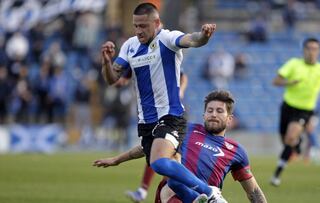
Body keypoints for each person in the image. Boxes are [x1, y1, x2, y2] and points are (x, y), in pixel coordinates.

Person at [99, 2, 223, 202]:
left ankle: (209, 192)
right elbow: (112, 78)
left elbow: (191, 39)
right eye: (135, 25)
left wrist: (204, 36)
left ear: (156, 22)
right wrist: (106, 61)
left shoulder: (167, 38)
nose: (138, 30)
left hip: (171, 115)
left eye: (143, 26)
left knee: (158, 162)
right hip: (146, 122)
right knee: (173, 181)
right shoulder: (130, 46)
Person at [94, 90, 268, 203]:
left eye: (219, 111)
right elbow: (149, 148)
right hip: (173, 195)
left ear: (229, 118)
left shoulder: (236, 151)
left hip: (207, 199)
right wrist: (117, 159)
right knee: (173, 184)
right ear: (204, 114)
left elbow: (253, 191)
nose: (213, 114)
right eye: (210, 110)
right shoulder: (186, 129)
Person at [270, 37, 320, 187]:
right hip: (287, 106)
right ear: (304, 50)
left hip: (305, 110)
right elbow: (275, 81)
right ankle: (298, 144)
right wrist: (289, 82)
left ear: (319, 51)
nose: (311, 52)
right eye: (309, 48)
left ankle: (276, 175)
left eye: (315, 49)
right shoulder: (294, 64)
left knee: (289, 138)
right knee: (286, 140)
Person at [125, 72, 188, 203]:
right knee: (156, 152)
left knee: (164, 154)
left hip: (169, 112)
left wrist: (181, 91)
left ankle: (204, 192)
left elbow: (183, 75)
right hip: (155, 111)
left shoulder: (165, 59)